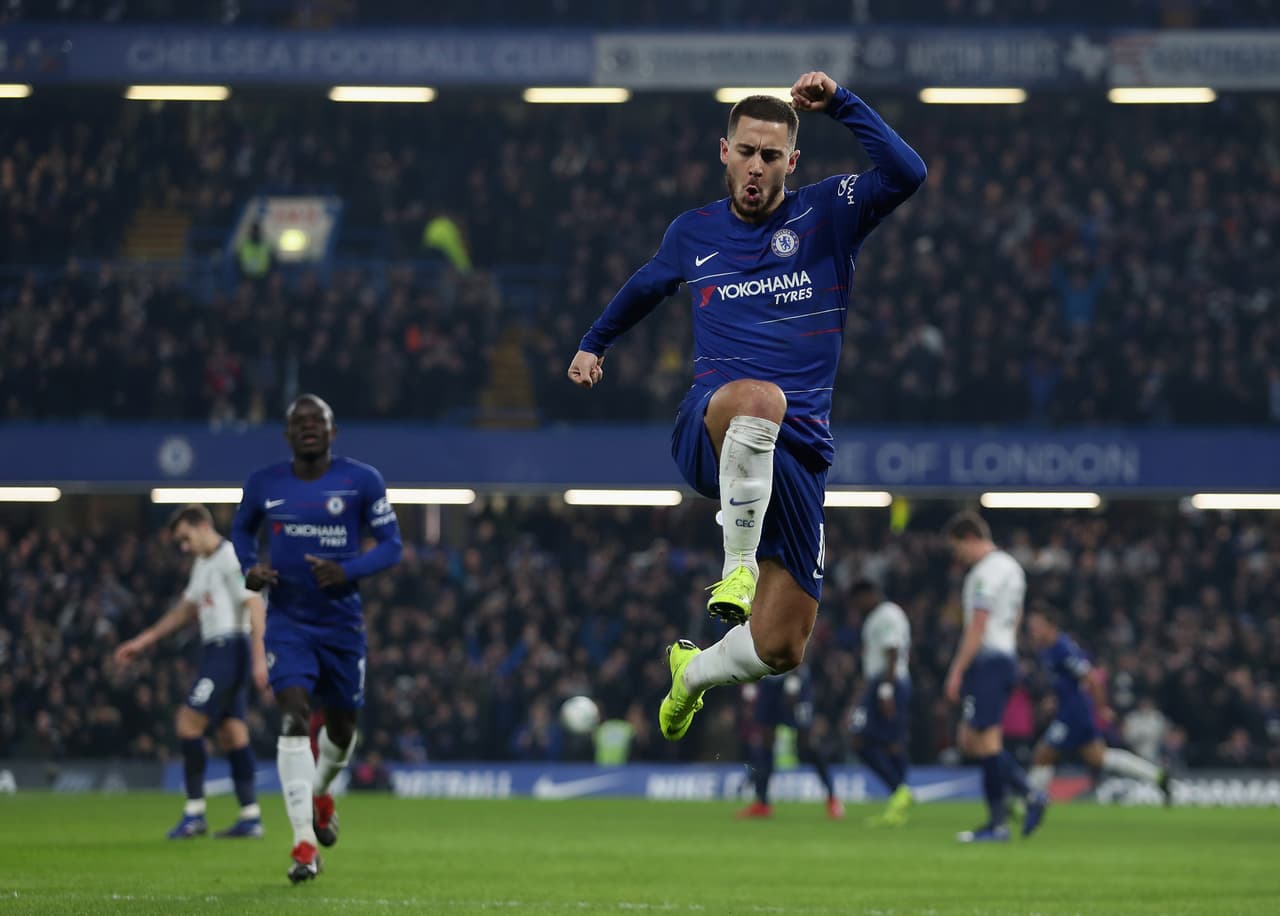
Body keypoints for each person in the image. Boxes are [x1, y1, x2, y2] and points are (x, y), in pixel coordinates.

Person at [566, 71, 926, 742]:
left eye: (770, 155)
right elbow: (646, 285)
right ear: (723, 152)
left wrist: (842, 104)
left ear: (792, 161)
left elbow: (908, 173)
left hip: (799, 453)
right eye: (746, 151)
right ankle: (735, 569)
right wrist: (595, 343)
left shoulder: (828, 213)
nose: (756, 166)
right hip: (713, 421)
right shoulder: (693, 231)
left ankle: (692, 674)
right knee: (759, 396)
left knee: (782, 646)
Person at [231, 394, 402, 883]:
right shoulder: (265, 482)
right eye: (299, 422)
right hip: (288, 622)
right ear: (287, 435)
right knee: (292, 716)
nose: (308, 427)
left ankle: (322, 792)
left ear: (333, 432)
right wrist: (249, 568)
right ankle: (304, 843)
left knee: (343, 730)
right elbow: (241, 530)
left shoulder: (361, 480)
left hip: (342, 625)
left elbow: (392, 546)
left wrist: (346, 571)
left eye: (318, 421)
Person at [114, 504, 268, 840]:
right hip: (218, 649)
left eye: (185, 538)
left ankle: (195, 813)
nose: (184, 547)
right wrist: (144, 640)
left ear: (201, 526)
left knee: (187, 721)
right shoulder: (204, 563)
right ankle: (250, 816)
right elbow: (186, 609)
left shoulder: (232, 557)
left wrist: (259, 658)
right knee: (231, 732)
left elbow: (255, 604)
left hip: (231, 648)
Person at [1020, 604, 1171, 836]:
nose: (1032, 630)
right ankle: (1157, 776)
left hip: (1074, 715)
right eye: (1031, 626)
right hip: (1069, 711)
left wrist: (1102, 709)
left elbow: (1091, 678)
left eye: (1037, 625)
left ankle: (1031, 804)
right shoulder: (1046, 649)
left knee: (1042, 755)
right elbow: (1067, 682)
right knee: (1098, 757)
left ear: (1050, 625)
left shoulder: (1062, 647)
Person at [943, 511, 1036, 843]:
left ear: (970, 538)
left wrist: (957, 669)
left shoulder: (986, 572)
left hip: (988, 659)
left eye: (958, 549)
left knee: (984, 740)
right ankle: (1018, 800)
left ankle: (1010, 810)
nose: (958, 557)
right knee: (973, 738)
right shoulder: (1012, 568)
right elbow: (1016, 617)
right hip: (1004, 654)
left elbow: (978, 624)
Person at [738, 665, 843, 820]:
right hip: (770, 681)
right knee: (766, 742)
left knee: (807, 744)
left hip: (794, 681)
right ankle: (762, 803)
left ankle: (832, 798)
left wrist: (795, 674)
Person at [849, 579, 913, 826]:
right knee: (882, 742)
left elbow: (892, 652)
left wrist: (886, 691)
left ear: (869, 594)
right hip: (880, 683)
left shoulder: (887, 615)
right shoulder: (876, 617)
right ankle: (900, 796)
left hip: (890, 683)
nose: (857, 607)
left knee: (873, 741)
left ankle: (899, 795)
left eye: (858, 601)